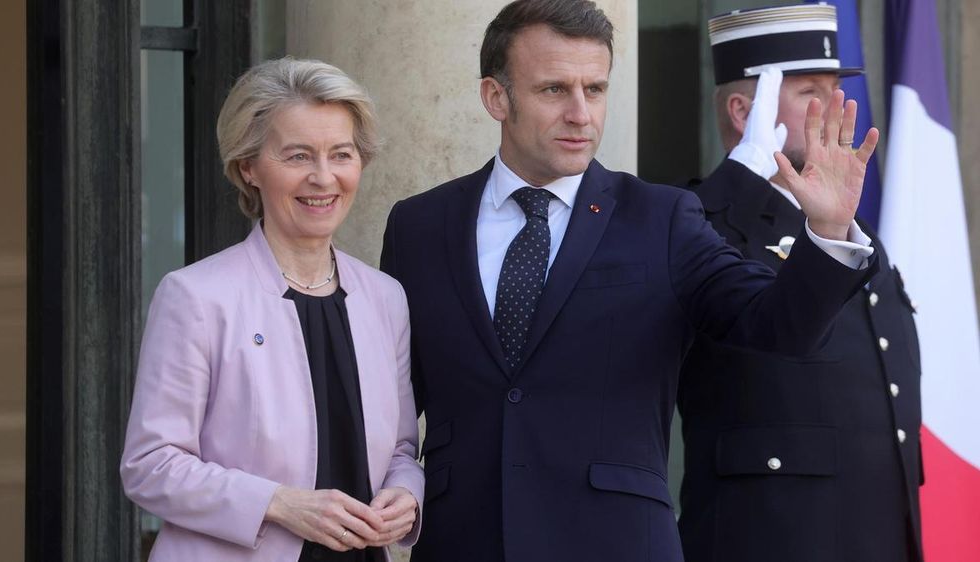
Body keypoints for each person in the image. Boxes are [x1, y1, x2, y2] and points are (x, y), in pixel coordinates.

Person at [380, 1, 879, 560]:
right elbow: (384, 403)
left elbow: (776, 327)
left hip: (615, 542)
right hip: (462, 543)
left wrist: (828, 230)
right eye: (553, 90)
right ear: (496, 97)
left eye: (594, 90)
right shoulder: (419, 226)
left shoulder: (662, 218)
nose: (580, 114)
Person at [121, 58, 424, 562]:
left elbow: (399, 449)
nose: (323, 178)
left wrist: (407, 492)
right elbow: (149, 465)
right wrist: (277, 504)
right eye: (298, 156)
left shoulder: (385, 297)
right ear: (248, 166)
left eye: (341, 154)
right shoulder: (196, 296)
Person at [677, 5, 923, 562]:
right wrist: (744, 174)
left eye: (837, 87)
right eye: (811, 90)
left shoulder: (854, 232)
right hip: (767, 540)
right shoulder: (698, 220)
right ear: (746, 112)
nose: (835, 107)